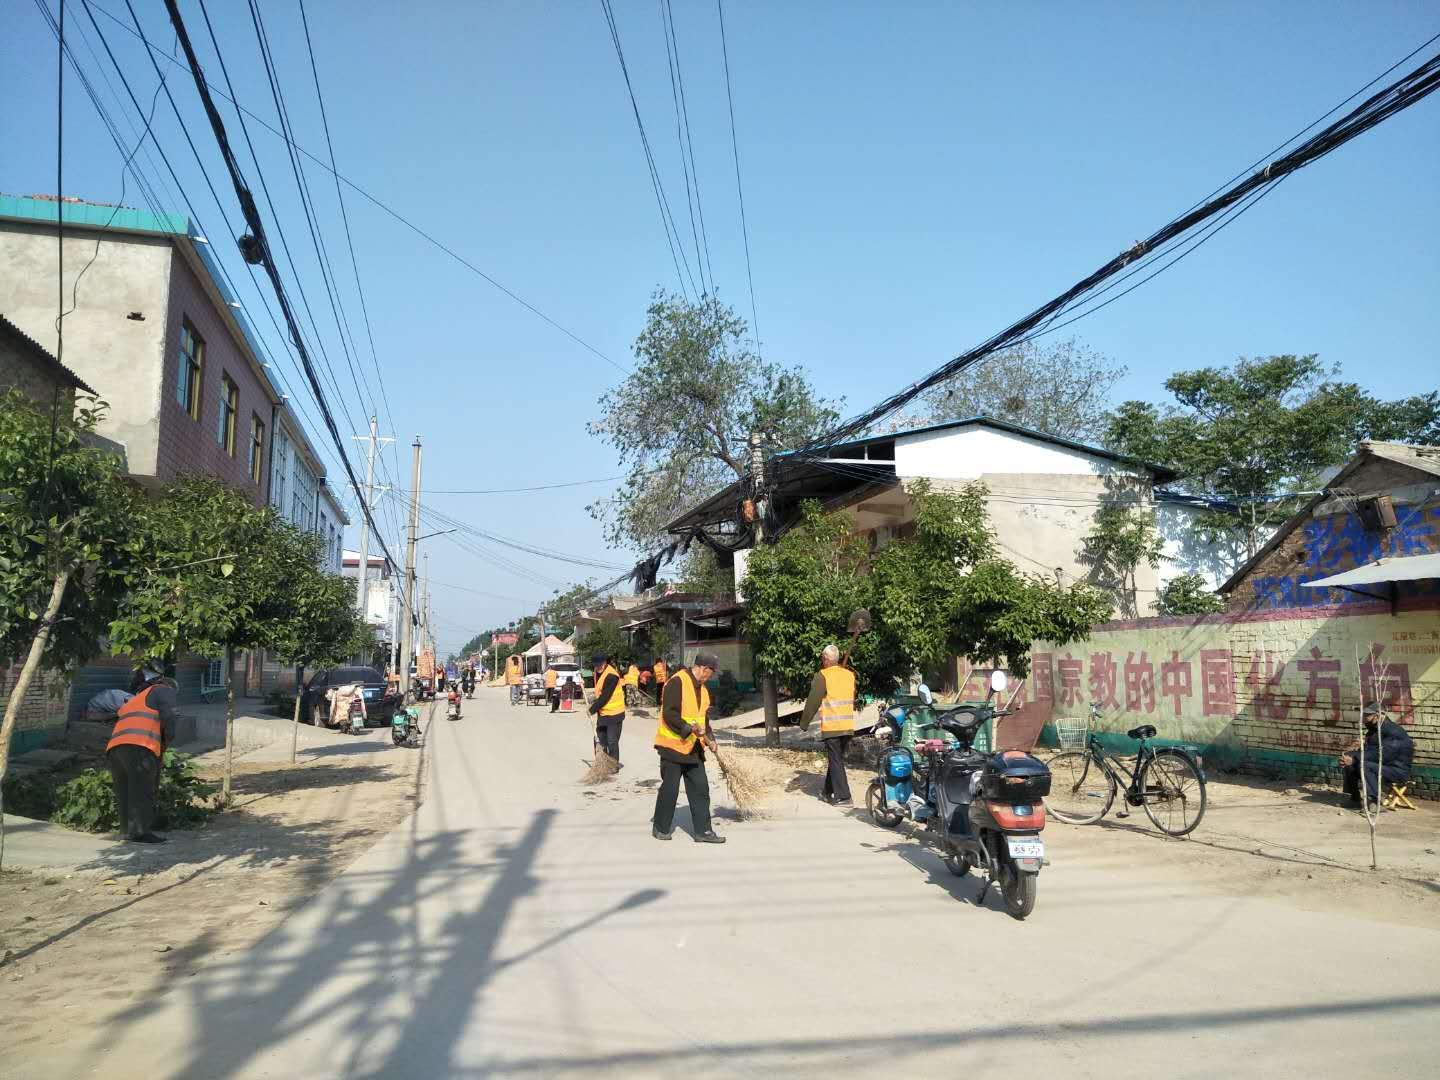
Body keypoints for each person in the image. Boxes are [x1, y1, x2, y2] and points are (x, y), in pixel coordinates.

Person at [652, 649, 725, 843]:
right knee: (670, 790)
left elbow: (703, 719)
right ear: (703, 668)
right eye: (712, 672)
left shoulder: (704, 690)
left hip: (694, 748)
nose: (712, 676)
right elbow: (669, 713)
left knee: (701, 788)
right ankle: (660, 827)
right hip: (672, 747)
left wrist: (711, 739)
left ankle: (703, 831)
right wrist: (688, 728)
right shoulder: (677, 682)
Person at [106, 663, 178, 844]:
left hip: (116, 747)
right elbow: (169, 717)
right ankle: (140, 832)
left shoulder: (137, 698)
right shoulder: (164, 689)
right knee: (143, 789)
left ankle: (127, 831)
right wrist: (166, 742)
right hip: (140, 745)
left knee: (125, 790)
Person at [799, 643, 857, 806]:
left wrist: (804, 722)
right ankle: (827, 792)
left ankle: (844, 797)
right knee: (835, 760)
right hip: (847, 725)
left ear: (825, 659)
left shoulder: (823, 675)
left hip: (833, 726)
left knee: (835, 760)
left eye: (822, 658)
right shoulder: (849, 675)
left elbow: (813, 700)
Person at [1339, 702, 1413, 808]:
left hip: (1396, 771)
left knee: (1363, 765)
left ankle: (1374, 802)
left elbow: (1382, 755)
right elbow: (1370, 752)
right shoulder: (1374, 730)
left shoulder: (1393, 731)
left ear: (1378, 715)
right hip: (1381, 766)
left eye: (1367, 715)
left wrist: (1355, 758)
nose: (1363, 719)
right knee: (1349, 762)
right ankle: (1354, 798)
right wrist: (1350, 754)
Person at [589, 654, 626, 763]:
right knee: (599, 740)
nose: (598, 667)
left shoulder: (611, 676)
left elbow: (605, 696)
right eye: (596, 665)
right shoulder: (597, 672)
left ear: (605, 663)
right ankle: (602, 764)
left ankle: (613, 765)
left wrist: (592, 709)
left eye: (600, 665)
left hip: (615, 714)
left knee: (611, 741)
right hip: (603, 713)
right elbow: (599, 691)